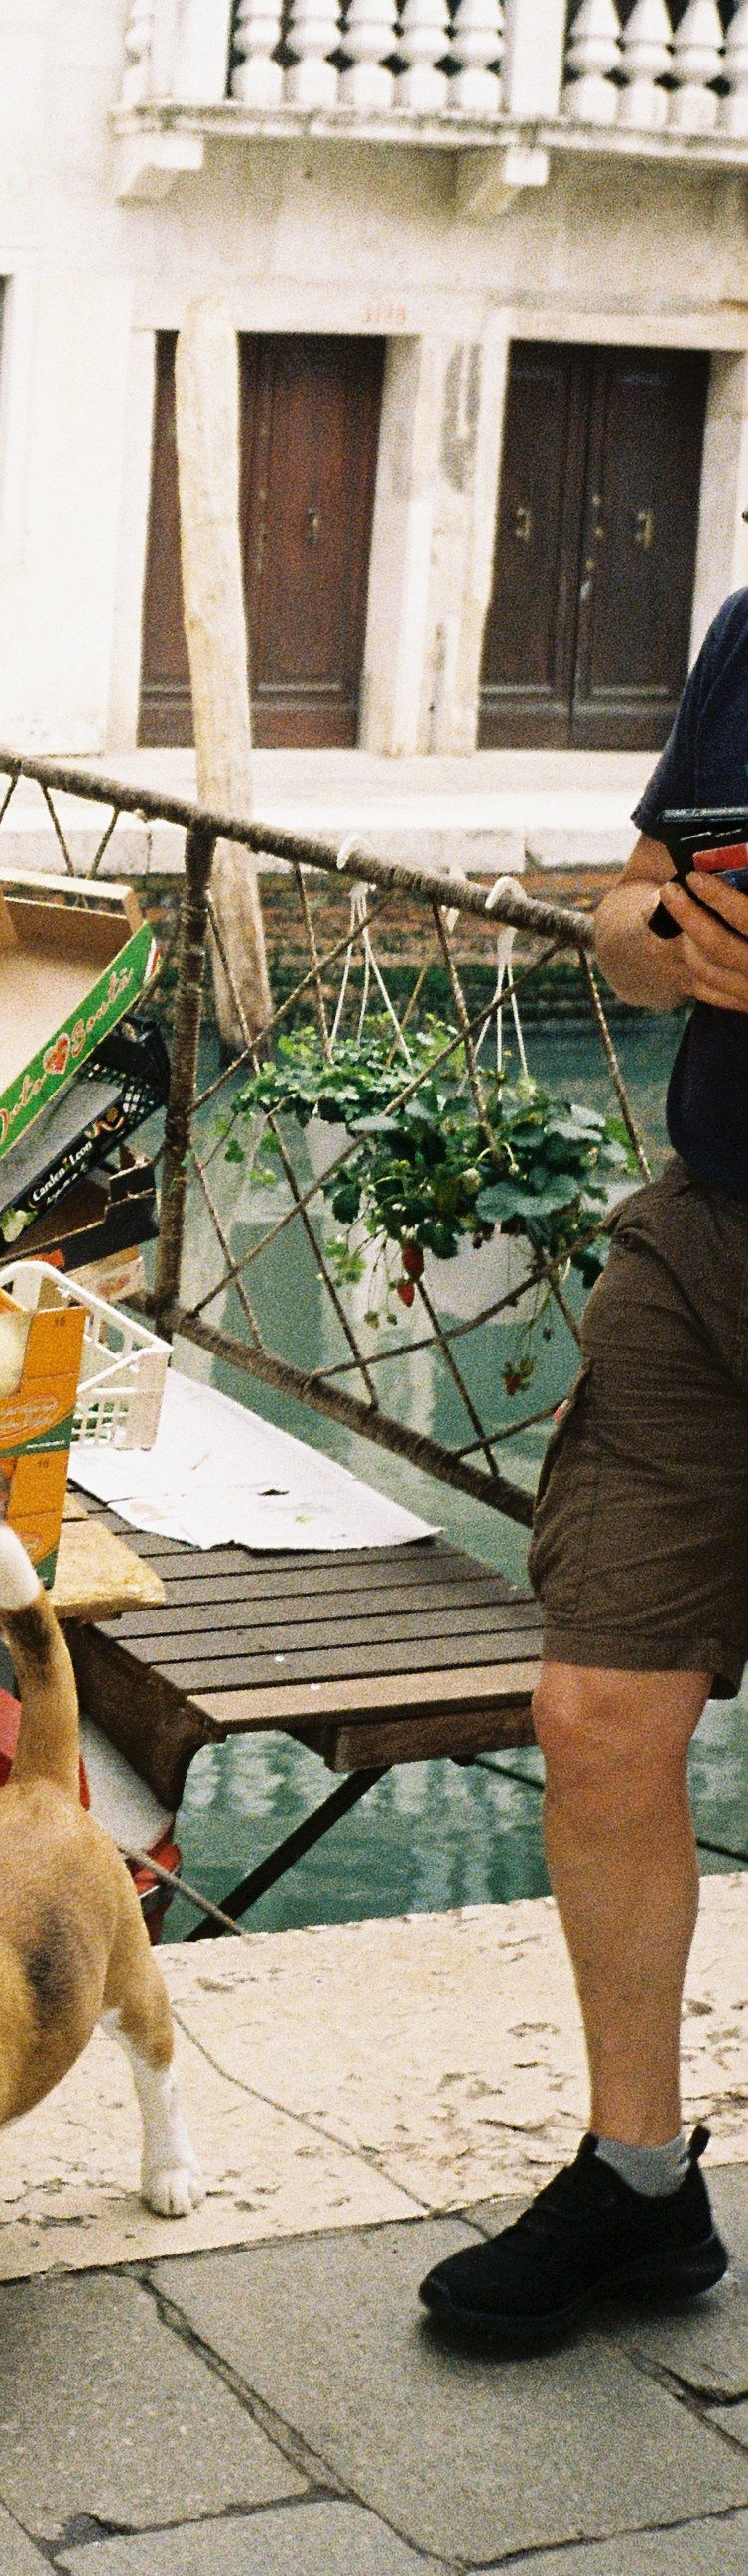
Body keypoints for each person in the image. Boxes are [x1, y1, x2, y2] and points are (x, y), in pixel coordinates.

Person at [420, 604, 748, 2352]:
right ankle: (636, 2180)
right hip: (705, 1239)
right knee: (596, 1712)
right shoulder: (747, 631)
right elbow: (624, 907)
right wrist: (667, 942)